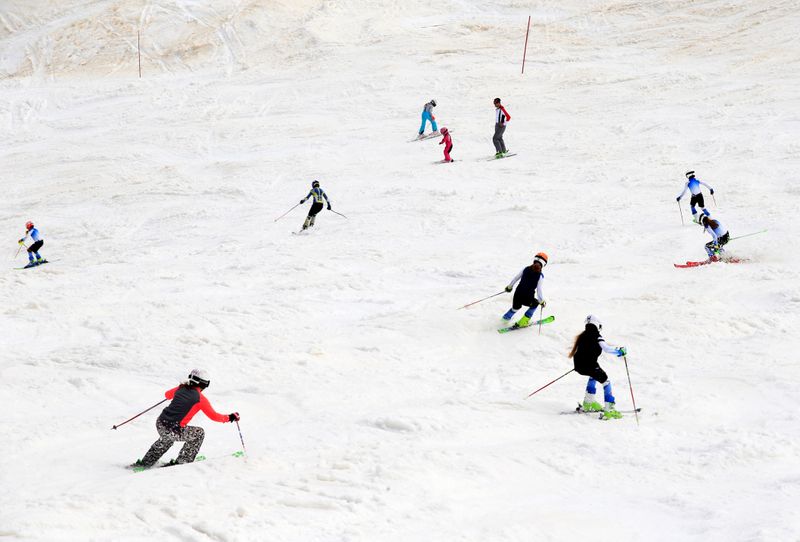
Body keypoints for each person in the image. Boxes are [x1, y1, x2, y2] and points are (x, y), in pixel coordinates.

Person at [132, 369, 239, 469]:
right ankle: (184, 460)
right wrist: (230, 417)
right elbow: (214, 416)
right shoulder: (200, 399)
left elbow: (167, 395)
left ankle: (146, 462)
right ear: (205, 384)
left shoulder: (181, 388)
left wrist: (180, 390)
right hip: (173, 429)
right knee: (199, 433)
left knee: (167, 439)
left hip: (160, 423)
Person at [569, 315, 627, 419]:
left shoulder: (583, 335)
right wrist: (620, 351)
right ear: (597, 325)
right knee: (606, 382)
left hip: (579, 366)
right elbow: (607, 349)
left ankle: (588, 402)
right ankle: (609, 410)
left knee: (593, 376)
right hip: (590, 366)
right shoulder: (596, 335)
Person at [502, 252, 547, 328]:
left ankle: (504, 319)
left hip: (518, 294)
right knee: (535, 304)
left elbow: (516, 278)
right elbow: (539, 290)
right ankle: (523, 321)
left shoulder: (525, 269)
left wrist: (509, 287)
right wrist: (542, 301)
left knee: (515, 308)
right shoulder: (540, 276)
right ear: (544, 264)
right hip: (527, 298)